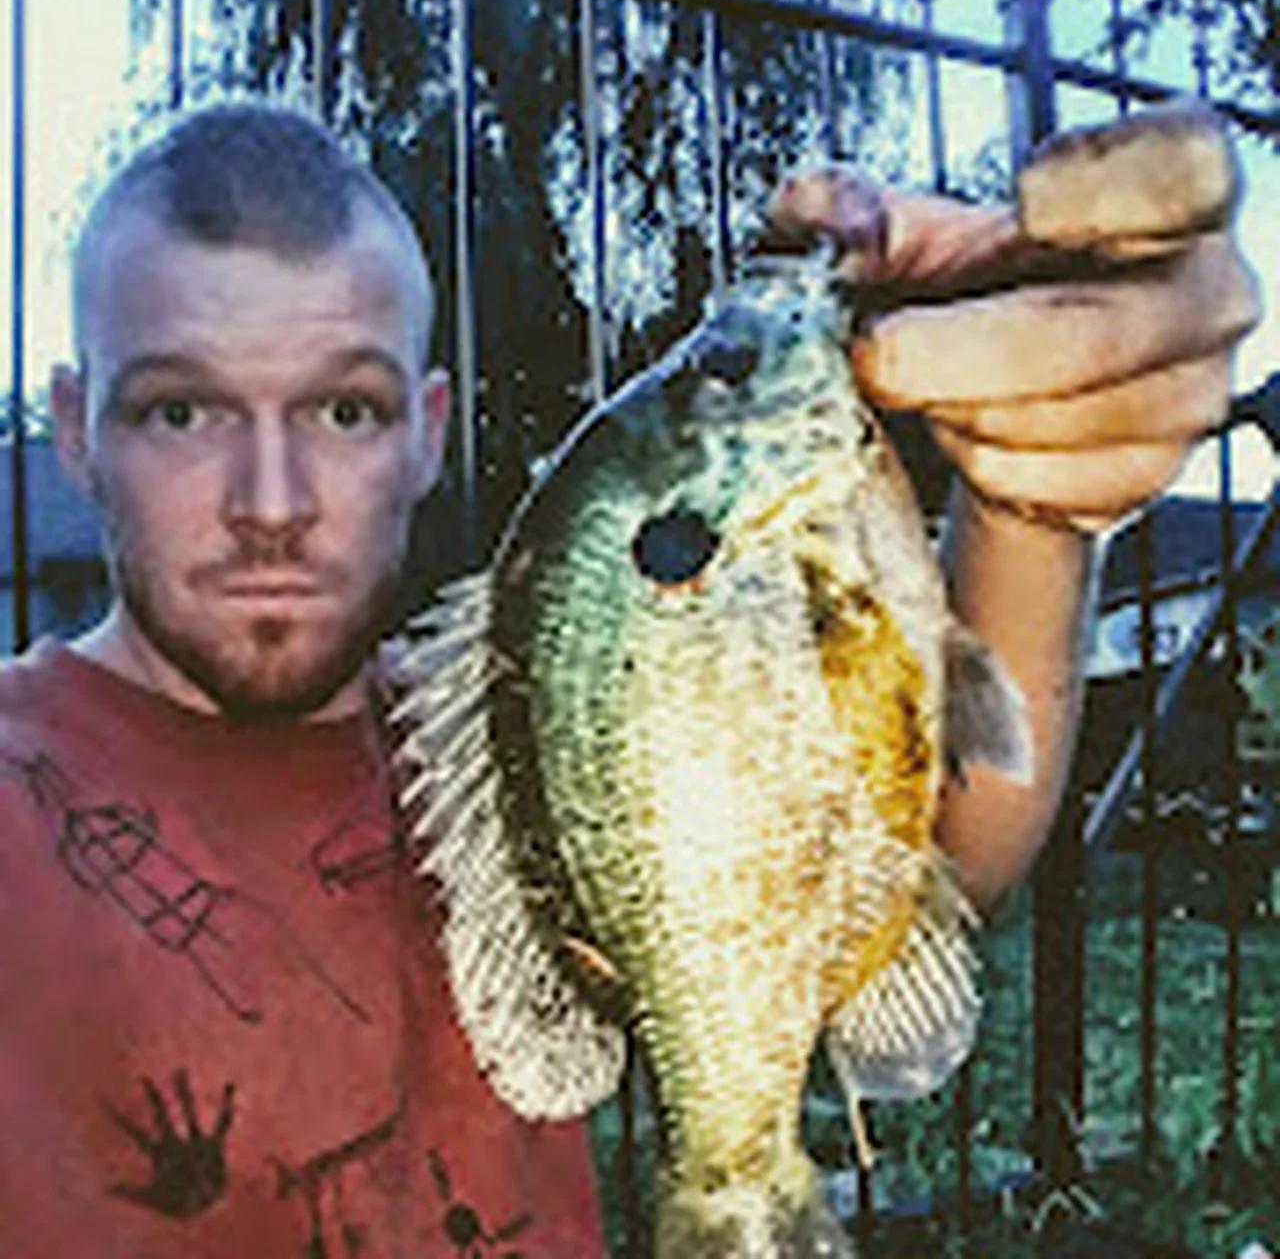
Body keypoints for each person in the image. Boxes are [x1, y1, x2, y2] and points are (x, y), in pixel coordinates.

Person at [0, 96, 1257, 1257]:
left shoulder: (497, 727)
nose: (269, 503)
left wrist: (1032, 494)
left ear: (427, 428)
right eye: (180, 411)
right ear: (72, 428)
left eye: (344, 412)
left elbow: (947, 840)